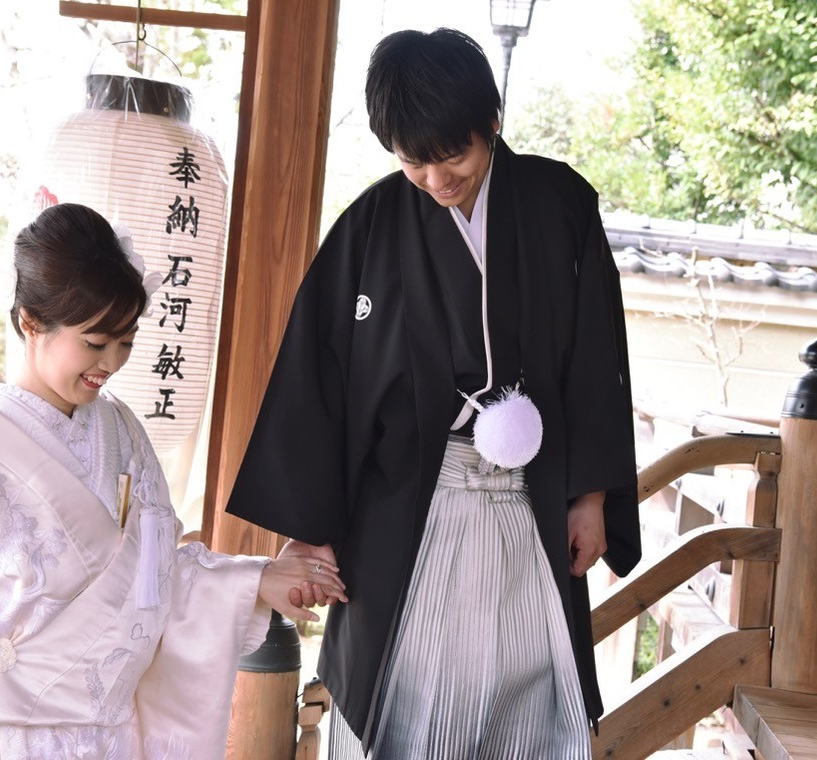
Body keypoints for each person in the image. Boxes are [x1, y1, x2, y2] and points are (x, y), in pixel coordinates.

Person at [227, 27, 640, 760]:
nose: (437, 178)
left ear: (492, 124)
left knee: (530, 697)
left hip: (531, 503)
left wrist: (592, 498)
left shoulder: (561, 205)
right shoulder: (370, 226)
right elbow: (318, 376)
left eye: (454, 155)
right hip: (412, 507)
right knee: (411, 706)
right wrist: (308, 524)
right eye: (414, 160)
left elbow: (595, 357)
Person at [0, 202, 347, 759]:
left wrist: (258, 581)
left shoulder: (121, 433)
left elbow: (152, 577)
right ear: (29, 322)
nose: (111, 362)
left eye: (126, 341)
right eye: (94, 342)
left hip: (110, 741)